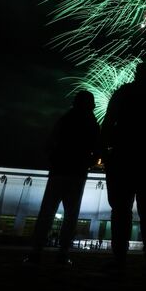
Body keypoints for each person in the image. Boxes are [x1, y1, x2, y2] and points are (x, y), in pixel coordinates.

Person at [101, 62, 146, 271]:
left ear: (137, 74)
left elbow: (108, 123)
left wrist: (105, 153)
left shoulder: (123, 93)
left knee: (121, 210)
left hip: (123, 157)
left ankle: (120, 258)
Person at [25, 90, 99, 265]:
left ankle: (36, 251)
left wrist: (55, 160)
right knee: (71, 215)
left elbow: (49, 144)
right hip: (77, 174)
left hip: (59, 171)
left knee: (47, 212)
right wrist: (86, 163)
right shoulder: (92, 124)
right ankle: (63, 253)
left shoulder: (64, 120)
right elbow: (97, 152)